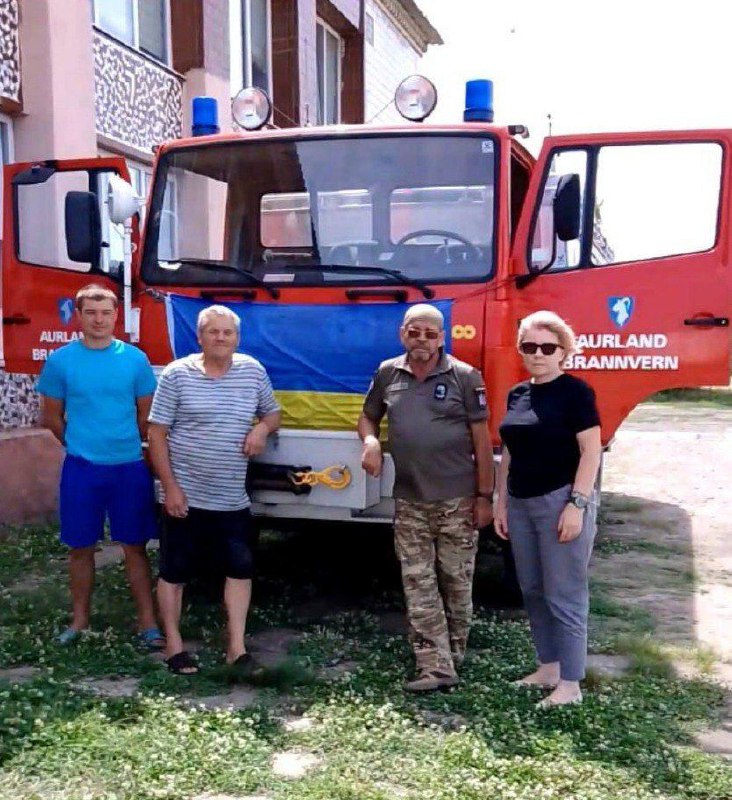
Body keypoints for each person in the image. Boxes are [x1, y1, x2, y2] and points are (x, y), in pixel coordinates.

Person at [358, 304, 494, 692]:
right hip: (411, 500)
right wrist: (369, 440)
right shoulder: (389, 373)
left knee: (455, 582)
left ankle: (451, 658)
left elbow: (482, 442)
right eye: (414, 332)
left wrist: (485, 496)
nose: (422, 340)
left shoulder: (465, 377)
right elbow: (368, 416)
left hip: (458, 501)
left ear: (442, 338)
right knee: (418, 583)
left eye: (430, 334)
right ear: (403, 334)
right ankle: (433, 666)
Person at [148, 305, 280, 675]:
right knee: (174, 571)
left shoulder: (252, 371)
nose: (221, 338)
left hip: (231, 497)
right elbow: (156, 434)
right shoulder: (177, 375)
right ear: (200, 336)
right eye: (213, 332)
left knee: (240, 568)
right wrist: (170, 488)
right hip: (184, 495)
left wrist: (261, 429)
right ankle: (174, 646)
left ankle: (236, 649)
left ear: (237, 338)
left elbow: (273, 413)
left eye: (228, 333)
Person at [38, 284, 163, 649]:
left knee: (135, 546)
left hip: (128, 467)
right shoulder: (60, 361)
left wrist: (135, 448)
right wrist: (80, 445)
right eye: (91, 313)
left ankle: (148, 623)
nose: (99, 320)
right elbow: (52, 417)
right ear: (79, 316)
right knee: (80, 547)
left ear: (115, 317)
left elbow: (146, 415)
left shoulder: (134, 360)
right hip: (82, 468)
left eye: (106, 313)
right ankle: (79, 621)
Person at [494, 310, 602, 708]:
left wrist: (577, 504)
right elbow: (509, 452)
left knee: (565, 593)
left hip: (560, 501)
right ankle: (549, 666)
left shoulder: (576, 393)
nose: (537, 354)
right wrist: (500, 501)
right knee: (534, 590)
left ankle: (571, 684)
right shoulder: (518, 393)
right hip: (520, 504)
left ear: (563, 352)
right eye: (529, 346)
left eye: (547, 347)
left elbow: (591, 452)